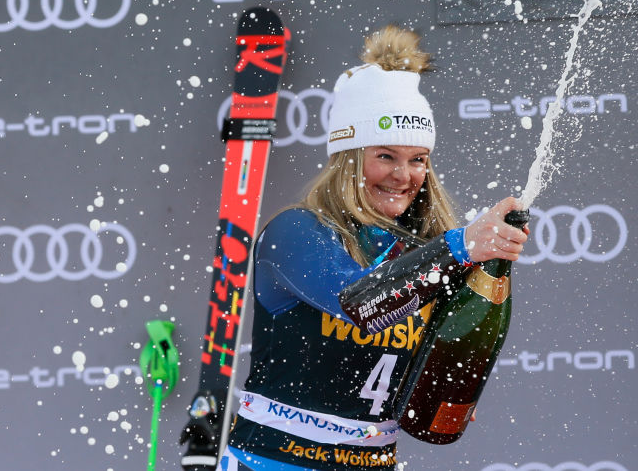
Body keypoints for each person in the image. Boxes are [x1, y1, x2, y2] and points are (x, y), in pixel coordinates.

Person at [218, 24, 528, 471]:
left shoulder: (428, 251)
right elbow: (360, 302)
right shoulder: (296, 231)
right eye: (385, 155)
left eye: (417, 159)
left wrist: (444, 382)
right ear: (348, 156)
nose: (404, 175)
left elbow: (441, 357)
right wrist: (460, 246)